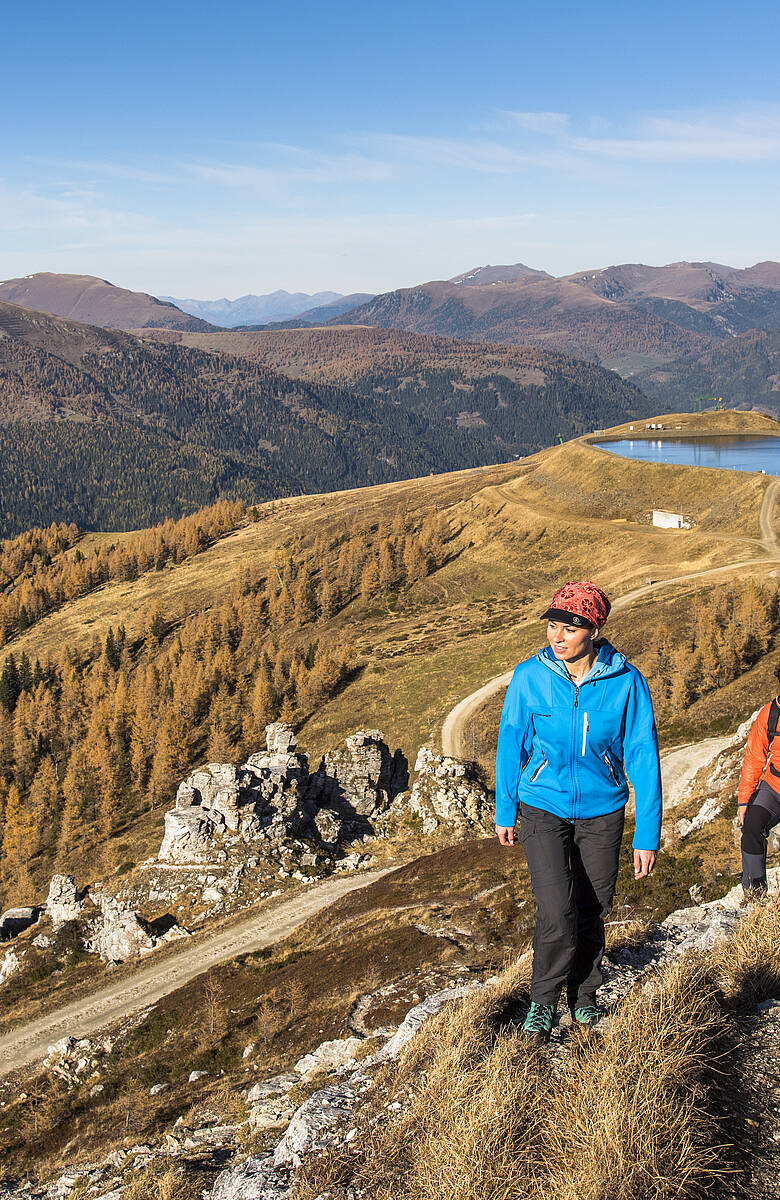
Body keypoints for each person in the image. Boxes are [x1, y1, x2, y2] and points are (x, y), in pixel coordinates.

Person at [494, 581, 662, 1043]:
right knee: (555, 909)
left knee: (592, 908)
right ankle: (543, 1002)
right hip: (541, 805)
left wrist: (647, 834)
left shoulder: (627, 681)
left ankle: (583, 995)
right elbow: (511, 742)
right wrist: (505, 808)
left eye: (569, 627)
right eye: (553, 626)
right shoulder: (529, 676)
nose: (557, 635)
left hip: (602, 810)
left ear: (594, 628)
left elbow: (643, 756)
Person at [737, 693, 780, 895]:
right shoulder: (770, 713)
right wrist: (744, 801)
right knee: (752, 825)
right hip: (775, 787)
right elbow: (754, 758)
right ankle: (755, 895)